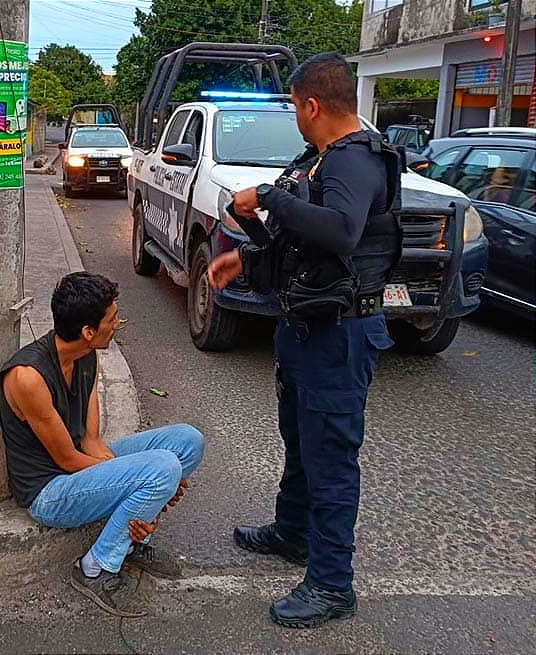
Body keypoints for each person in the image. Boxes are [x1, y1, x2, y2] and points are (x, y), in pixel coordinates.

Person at [208, 53, 400, 629]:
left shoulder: (356, 162)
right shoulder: (317, 160)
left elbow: (341, 232)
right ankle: (293, 532)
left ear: (311, 105)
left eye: (294, 106)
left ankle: (333, 584)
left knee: (331, 460)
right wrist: (244, 258)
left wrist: (270, 196)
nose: (295, 116)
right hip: (304, 327)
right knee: (300, 442)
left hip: (340, 335)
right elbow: (298, 246)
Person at [0, 272, 205, 618]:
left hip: (80, 465)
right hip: (49, 491)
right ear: (88, 331)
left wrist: (149, 494)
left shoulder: (86, 355)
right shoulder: (28, 377)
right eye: (112, 318)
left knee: (187, 441)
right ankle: (95, 567)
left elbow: (91, 441)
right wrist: (152, 481)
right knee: (162, 469)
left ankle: (133, 538)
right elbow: (67, 460)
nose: (118, 323)